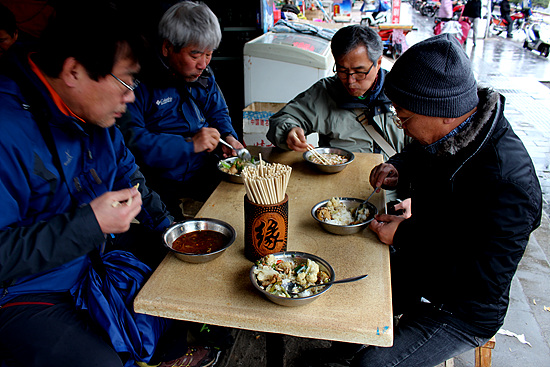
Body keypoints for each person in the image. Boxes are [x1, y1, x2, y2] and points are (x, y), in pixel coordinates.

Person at [0, 3, 218, 367]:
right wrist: (89, 224)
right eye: (126, 80)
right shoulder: (8, 131)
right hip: (24, 290)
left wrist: (174, 236)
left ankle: (167, 356)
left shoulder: (93, 116)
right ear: (74, 71)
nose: (131, 96)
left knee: (183, 273)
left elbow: (130, 178)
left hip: (91, 255)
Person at [327, 33, 539, 367]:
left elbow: (480, 278)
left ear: (442, 112)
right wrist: (397, 165)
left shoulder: (508, 184)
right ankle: (345, 348)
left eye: (405, 118)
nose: (403, 128)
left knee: (371, 366)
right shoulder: (452, 131)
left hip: (461, 309)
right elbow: (419, 150)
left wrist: (406, 235)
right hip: (422, 268)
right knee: (350, 287)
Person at [117, 1, 244, 221]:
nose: (203, 64)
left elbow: (218, 112)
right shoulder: (138, 83)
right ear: (167, 48)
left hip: (203, 171)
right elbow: (132, 141)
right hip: (158, 184)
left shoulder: (203, 75)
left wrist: (228, 137)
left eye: (209, 54)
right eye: (195, 56)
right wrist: (189, 145)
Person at [267, 25, 408, 163]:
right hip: (339, 180)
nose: (350, 81)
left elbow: (423, 143)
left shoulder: (402, 92)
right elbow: (283, 119)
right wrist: (288, 132)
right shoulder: (325, 92)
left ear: (378, 62)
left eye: (359, 72)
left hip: (394, 182)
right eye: (342, 71)